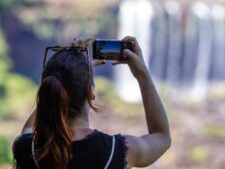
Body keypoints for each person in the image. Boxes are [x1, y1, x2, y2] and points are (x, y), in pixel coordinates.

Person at [12, 36, 171, 169]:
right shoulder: (116, 151)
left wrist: (70, 73)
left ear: (47, 89)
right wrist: (143, 75)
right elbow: (161, 137)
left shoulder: (28, 148)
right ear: (90, 93)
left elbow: (28, 128)